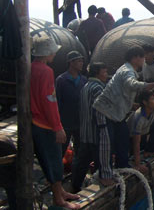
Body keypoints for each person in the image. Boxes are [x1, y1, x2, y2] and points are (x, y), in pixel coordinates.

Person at [92, 46, 154, 186]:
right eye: (142, 57)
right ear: (135, 58)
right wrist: (151, 85)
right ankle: (104, 175)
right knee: (106, 143)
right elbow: (131, 85)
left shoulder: (129, 71)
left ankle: (123, 166)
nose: (144, 60)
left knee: (123, 138)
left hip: (117, 114)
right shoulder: (127, 71)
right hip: (105, 111)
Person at [30, 32, 81, 209]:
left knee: (49, 160)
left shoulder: (31, 68)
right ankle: (58, 199)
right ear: (47, 53)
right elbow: (50, 101)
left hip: (35, 122)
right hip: (45, 123)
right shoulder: (46, 71)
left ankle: (60, 192)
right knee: (53, 160)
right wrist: (58, 126)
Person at [71, 62, 108, 193]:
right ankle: (99, 188)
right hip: (96, 132)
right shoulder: (98, 88)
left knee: (82, 163)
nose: (106, 74)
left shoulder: (85, 87)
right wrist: (104, 129)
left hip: (85, 133)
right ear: (97, 73)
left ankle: (75, 187)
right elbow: (101, 111)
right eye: (104, 72)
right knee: (100, 163)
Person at [56, 51, 87, 157]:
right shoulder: (61, 80)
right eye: (79, 61)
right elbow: (57, 102)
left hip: (80, 121)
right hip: (66, 122)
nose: (81, 63)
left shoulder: (83, 80)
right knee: (61, 149)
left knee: (79, 150)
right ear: (71, 63)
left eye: (82, 61)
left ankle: (76, 172)